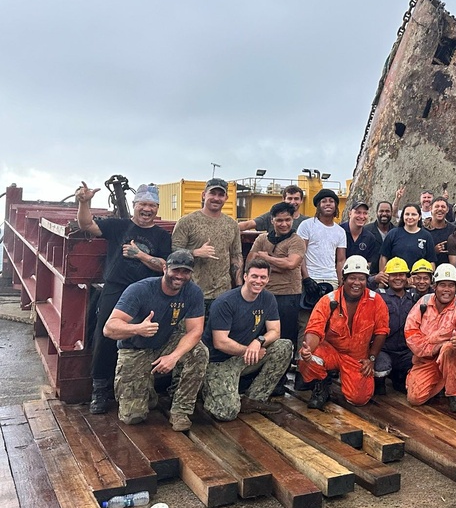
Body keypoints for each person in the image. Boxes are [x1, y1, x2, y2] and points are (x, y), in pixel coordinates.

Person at [75, 181, 173, 415]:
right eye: (142, 204)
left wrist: (140, 255)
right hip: (116, 289)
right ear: (134, 204)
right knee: (105, 337)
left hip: (147, 291)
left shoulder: (161, 236)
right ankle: (99, 390)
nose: (147, 209)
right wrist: (84, 202)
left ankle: (144, 388)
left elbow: (165, 266)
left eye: (152, 205)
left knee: (147, 336)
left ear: (157, 208)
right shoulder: (118, 226)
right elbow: (86, 224)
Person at [102, 250, 208, 431]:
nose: (180, 276)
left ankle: (181, 411)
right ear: (165, 268)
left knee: (199, 351)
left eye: (185, 272)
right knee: (133, 417)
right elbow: (109, 328)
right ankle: (147, 391)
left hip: (165, 342)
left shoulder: (193, 292)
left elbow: (195, 331)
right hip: (135, 348)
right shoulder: (139, 290)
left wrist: (174, 356)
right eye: (176, 270)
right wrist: (137, 328)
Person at [201, 259, 294, 420]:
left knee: (284, 346)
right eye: (254, 276)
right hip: (219, 361)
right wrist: (248, 350)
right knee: (226, 413)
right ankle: (207, 388)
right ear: (245, 276)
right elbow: (220, 342)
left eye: (263, 277)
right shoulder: (225, 302)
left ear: (268, 279)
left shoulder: (268, 299)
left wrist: (258, 341)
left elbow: (275, 331)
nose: (258, 281)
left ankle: (254, 399)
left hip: (248, 355)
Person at [298, 256, 390, 408]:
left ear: (367, 280)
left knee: (359, 399)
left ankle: (350, 380)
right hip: (331, 351)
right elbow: (315, 329)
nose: (356, 283)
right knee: (307, 357)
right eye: (352, 278)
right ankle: (322, 386)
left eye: (361, 279)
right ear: (343, 279)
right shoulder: (328, 300)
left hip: (358, 357)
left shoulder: (376, 301)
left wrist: (371, 358)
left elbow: (382, 331)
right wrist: (308, 349)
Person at [404, 264, 456, 413]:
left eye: (451, 286)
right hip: (426, 358)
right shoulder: (423, 302)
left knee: (449, 348)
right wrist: (432, 348)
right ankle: (442, 382)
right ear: (435, 286)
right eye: (442, 285)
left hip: (451, 356)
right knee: (414, 399)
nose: (447, 290)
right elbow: (410, 332)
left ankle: (455, 394)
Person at [171, 178, 243, 311]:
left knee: (219, 332)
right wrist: (195, 253)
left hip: (223, 293)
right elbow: (173, 253)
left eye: (221, 195)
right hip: (192, 292)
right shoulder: (186, 222)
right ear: (204, 195)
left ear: (226, 197)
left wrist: (239, 287)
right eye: (212, 193)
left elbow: (236, 255)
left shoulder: (232, 225)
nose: (216, 198)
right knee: (192, 331)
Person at [246, 201, 305, 343]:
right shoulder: (262, 239)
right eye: (279, 220)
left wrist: (266, 258)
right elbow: (250, 262)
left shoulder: (297, 241)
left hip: (288, 295)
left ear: (293, 219)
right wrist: (280, 265)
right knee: (259, 333)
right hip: (263, 293)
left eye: (287, 220)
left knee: (285, 335)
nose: (284, 224)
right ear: (272, 220)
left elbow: (291, 264)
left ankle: (287, 364)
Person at [375, 257, 419, 393]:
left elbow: (433, 292)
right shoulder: (379, 296)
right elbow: (359, 289)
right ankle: (379, 380)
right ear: (387, 277)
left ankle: (398, 376)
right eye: (394, 275)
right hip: (384, 349)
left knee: (417, 366)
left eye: (401, 275)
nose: (398, 278)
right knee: (380, 375)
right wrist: (374, 279)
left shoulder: (414, 296)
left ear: (407, 277)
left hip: (406, 351)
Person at [298, 188, 348, 291]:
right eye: (324, 201)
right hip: (311, 278)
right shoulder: (306, 225)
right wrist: (306, 278)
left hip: (332, 279)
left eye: (331, 201)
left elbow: (341, 260)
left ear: (336, 206)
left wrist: (341, 282)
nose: (328, 204)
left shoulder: (340, 231)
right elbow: (300, 254)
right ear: (318, 206)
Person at [380, 203, 435, 272]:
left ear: (420, 217)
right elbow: (384, 256)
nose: (410, 217)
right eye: (407, 214)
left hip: (417, 279)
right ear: (402, 216)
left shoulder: (426, 236)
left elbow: (431, 261)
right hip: (396, 277)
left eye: (414, 214)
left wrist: (430, 278)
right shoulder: (393, 234)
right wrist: (382, 276)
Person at [238, 184, 308, 233]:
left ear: (301, 200)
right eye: (289, 198)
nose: (293, 202)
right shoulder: (271, 216)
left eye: (296, 199)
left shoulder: (307, 222)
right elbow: (247, 225)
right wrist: (229, 228)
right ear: (283, 199)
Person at [341, 200, 381, 272]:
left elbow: (368, 264)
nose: (362, 216)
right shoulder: (339, 232)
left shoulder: (370, 238)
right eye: (358, 212)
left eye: (365, 213)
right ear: (350, 214)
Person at [425, 196, 456, 266]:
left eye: (443, 207)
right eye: (436, 206)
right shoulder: (423, 230)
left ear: (447, 209)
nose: (440, 209)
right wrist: (433, 251)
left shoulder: (454, 230)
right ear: (430, 208)